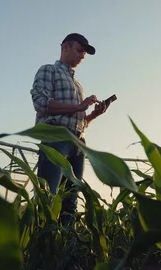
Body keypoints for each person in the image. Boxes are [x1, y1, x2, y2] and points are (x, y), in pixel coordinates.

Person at [30, 33, 108, 227]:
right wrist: (79, 107)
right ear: (65, 47)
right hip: (56, 137)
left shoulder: (78, 85)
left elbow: (78, 122)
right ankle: (43, 249)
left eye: (85, 53)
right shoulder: (48, 70)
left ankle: (66, 250)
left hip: (78, 143)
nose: (83, 55)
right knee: (49, 195)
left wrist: (94, 115)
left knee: (70, 203)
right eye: (80, 50)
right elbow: (40, 103)